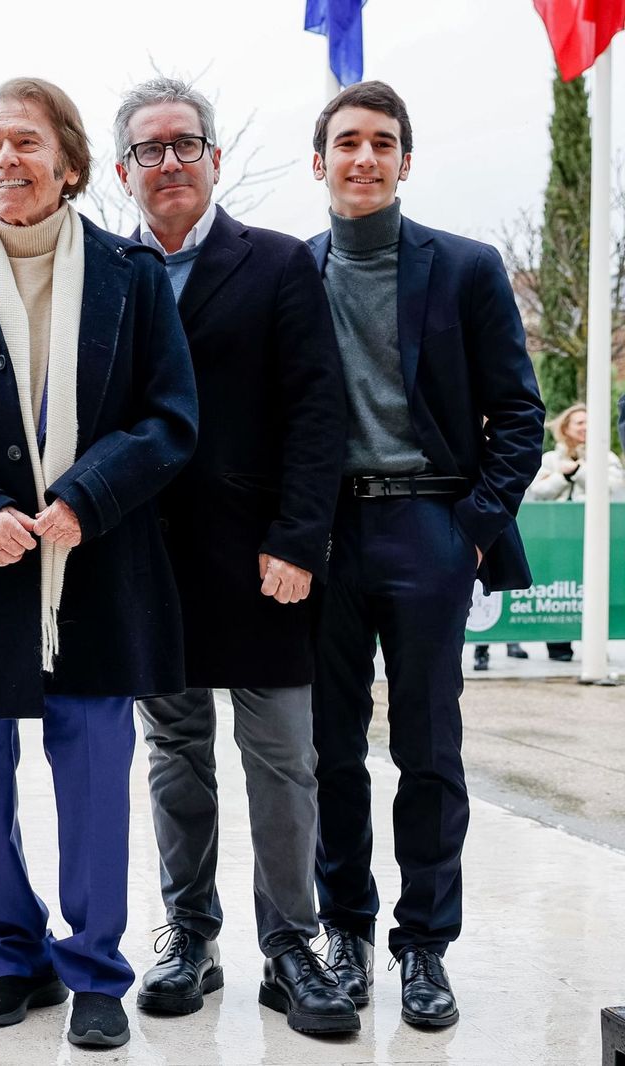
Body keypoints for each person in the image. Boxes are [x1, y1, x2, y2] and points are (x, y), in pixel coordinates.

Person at [0, 77, 197, 1049]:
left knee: (94, 766)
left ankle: (95, 965)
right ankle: (13, 955)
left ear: (67, 163)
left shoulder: (133, 279)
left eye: (24, 142)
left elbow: (170, 419)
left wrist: (81, 499)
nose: (4, 161)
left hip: (97, 572)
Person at [112, 77, 356, 1035]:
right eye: (149, 149)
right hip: (150, 560)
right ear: (126, 170)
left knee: (283, 761)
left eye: (185, 144)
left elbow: (316, 410)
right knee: (174, 752)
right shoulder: (109, 271)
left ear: (213, 157)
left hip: (263, 561)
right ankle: (190, 932)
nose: (169, 162)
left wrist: (299, 538)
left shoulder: (280, 264)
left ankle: (293, 946)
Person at [306, 81, 545, 1029]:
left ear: (407, 159)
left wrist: (473, 528)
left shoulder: (468, 268)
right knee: (329, 751)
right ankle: (346, 935)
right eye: (347, 142)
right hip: (323, 538)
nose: (364, 158)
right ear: (318, 160)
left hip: (429, 529)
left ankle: (424, 948)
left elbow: (519, 414)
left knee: (428, 751)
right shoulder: (294, 273)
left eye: (383, 142)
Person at [528, 403, 624, 661]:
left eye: (588, 422)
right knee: (558, 583)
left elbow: (612, 485)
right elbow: (538, 490)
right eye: (579, 422)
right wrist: (563, 476)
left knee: (596, 585)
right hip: (557, 536)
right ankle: (558, 644)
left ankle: (594, 643)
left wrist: (579, 472)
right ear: (566, 428)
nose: (585, 427)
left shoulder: (607, 457)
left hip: (594, 536)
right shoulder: (550, 459)